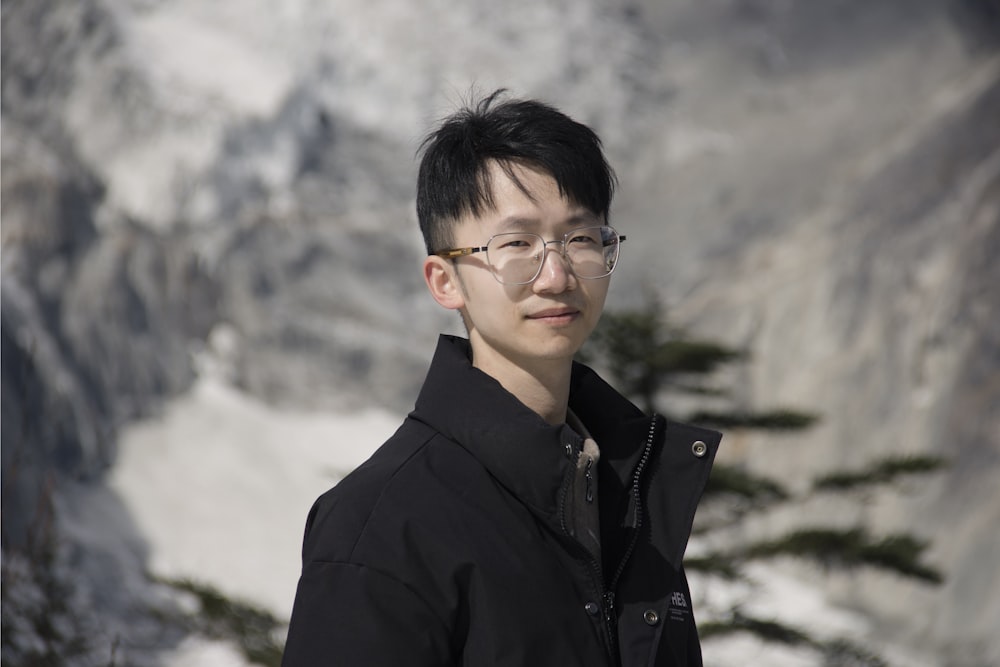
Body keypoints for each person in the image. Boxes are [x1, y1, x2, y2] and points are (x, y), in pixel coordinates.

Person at [281, 90, 721, 667]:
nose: (557, 274)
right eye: (517, 244)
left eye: (581, 238)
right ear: (445, 281)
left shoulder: (627, 495)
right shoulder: (382, 527)